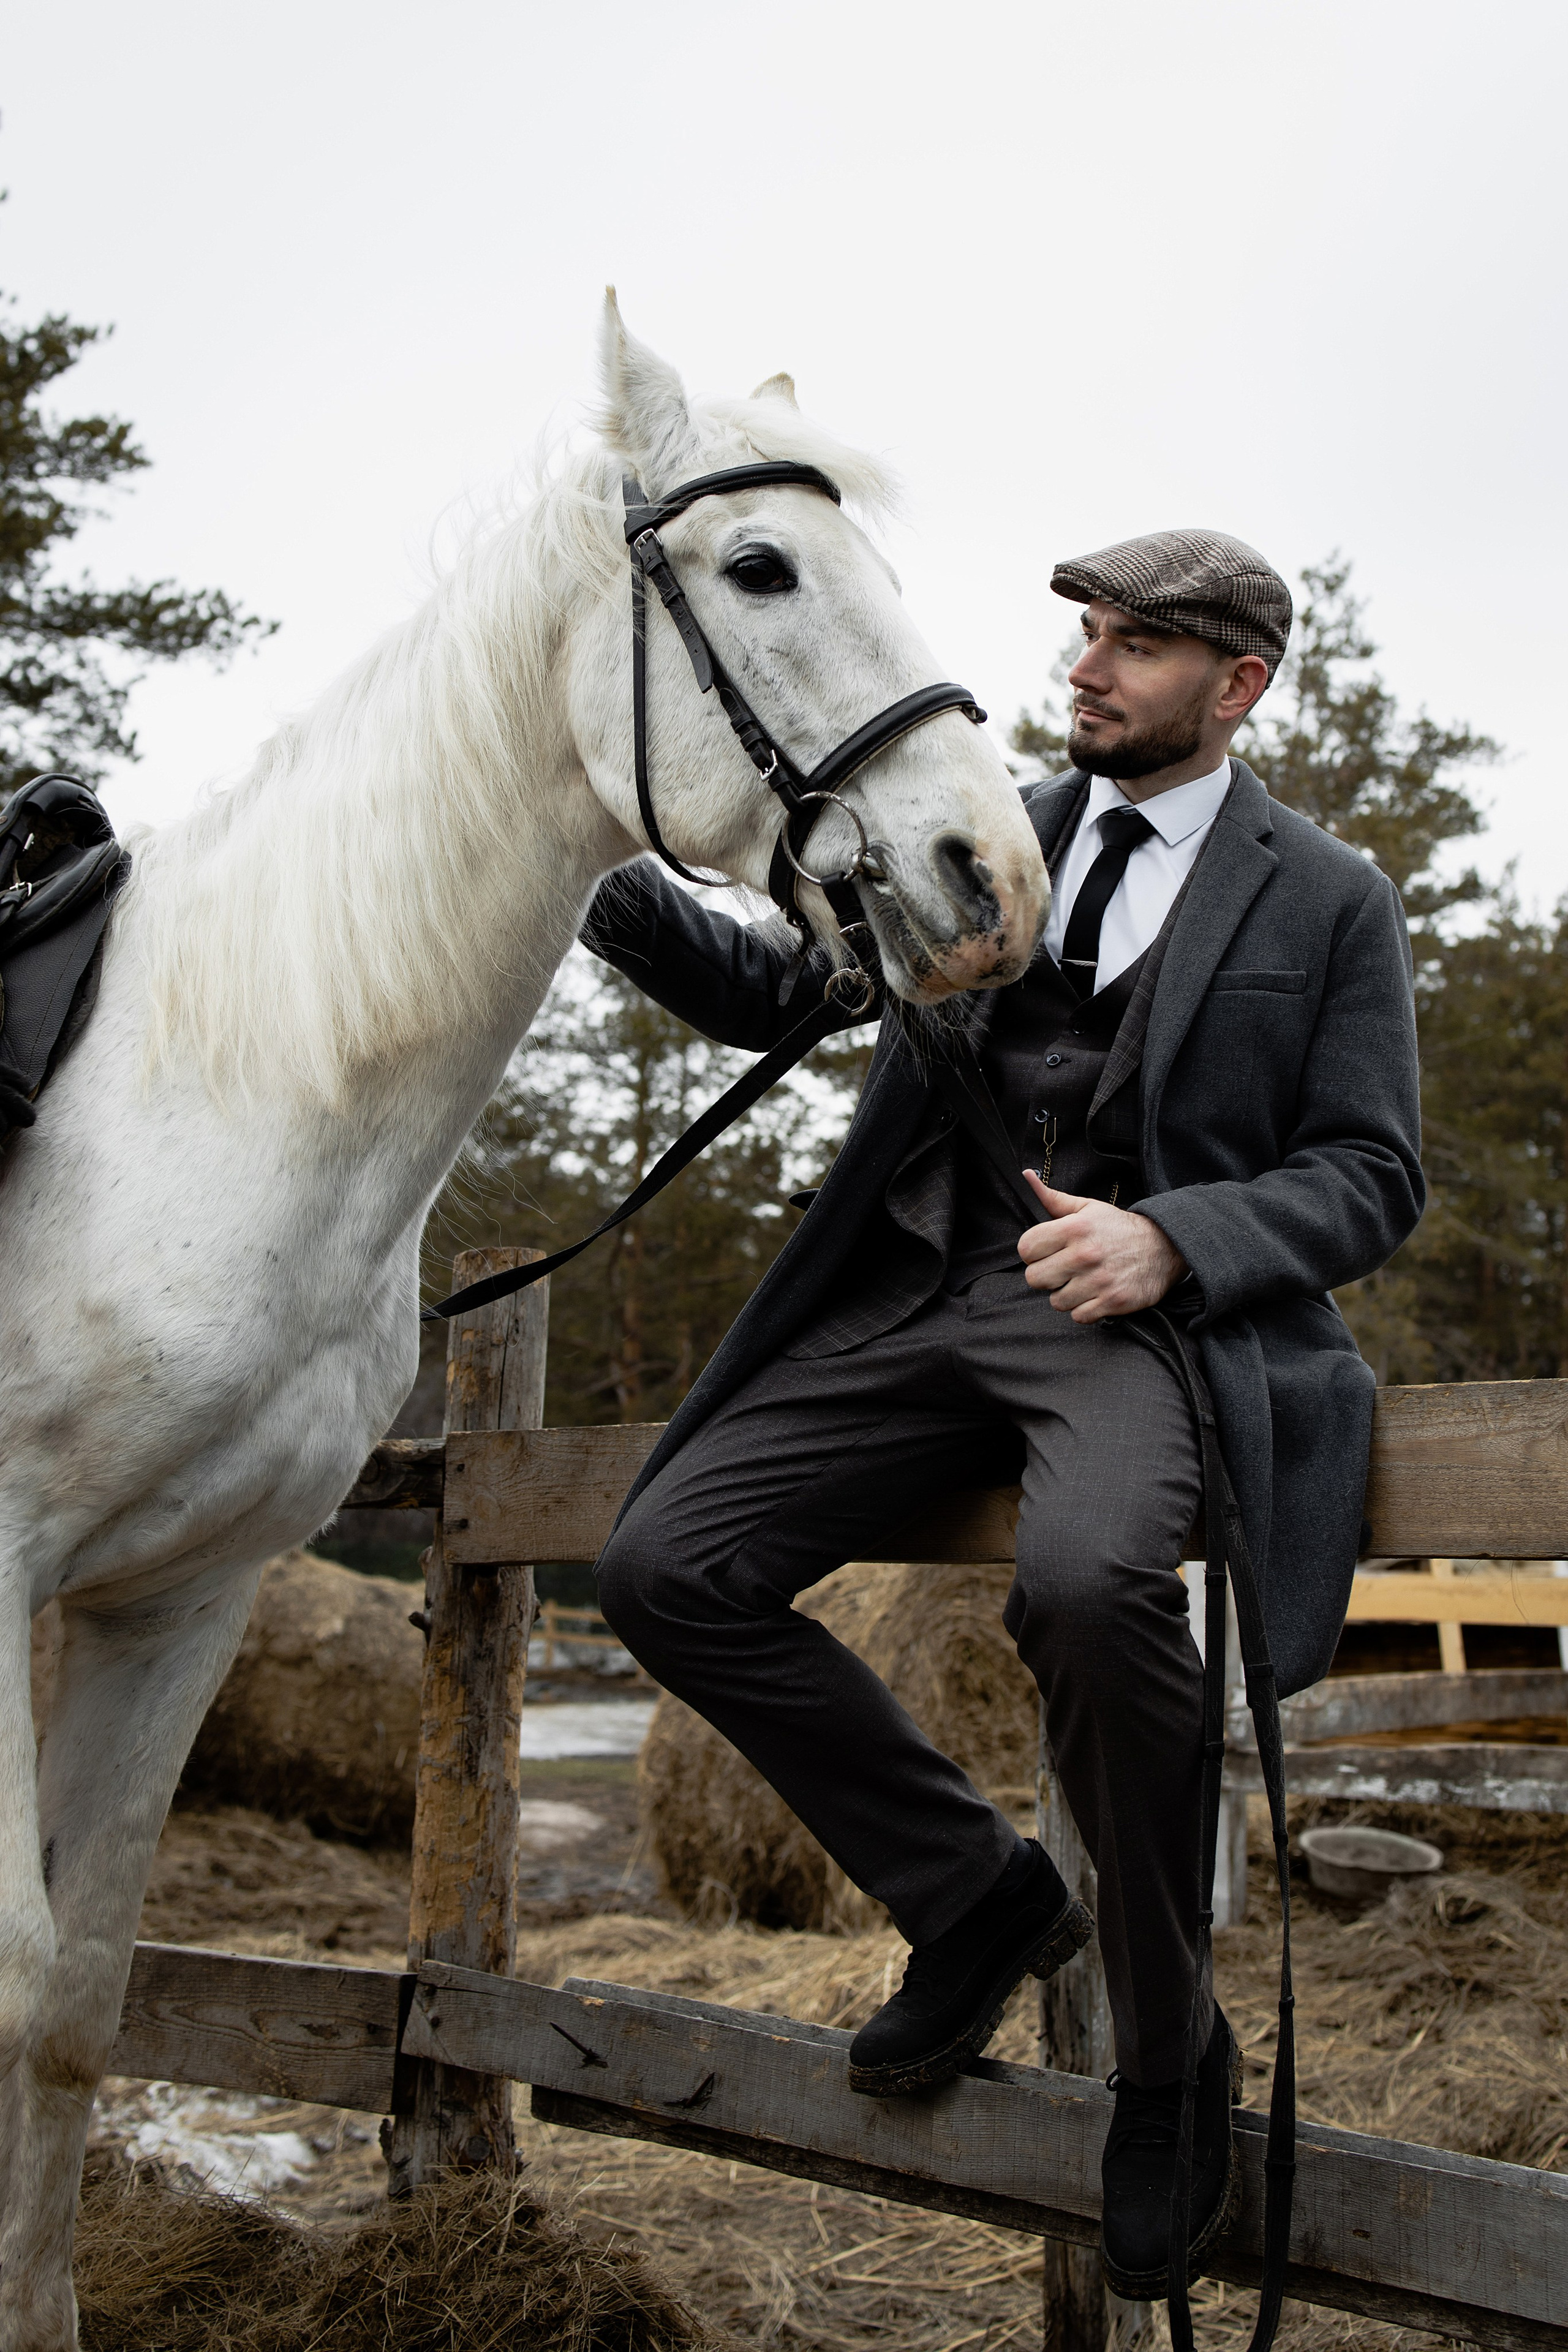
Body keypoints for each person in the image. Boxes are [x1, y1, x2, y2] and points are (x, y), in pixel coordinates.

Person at [583, 529, 1423, 2297]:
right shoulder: (984, 822)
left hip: (1131, 1329)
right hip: (917, 1291)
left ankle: (1170, 2056)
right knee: (666, 1562)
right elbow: (782, 989)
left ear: (1240, 684)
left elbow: (1371, 1175)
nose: (1089, 666)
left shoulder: (1329, 897)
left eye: (1136, 642)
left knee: (1093, 1590)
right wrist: (591, 849)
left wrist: (1175, 1236)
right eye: (1088, 634)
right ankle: (972, 1894)